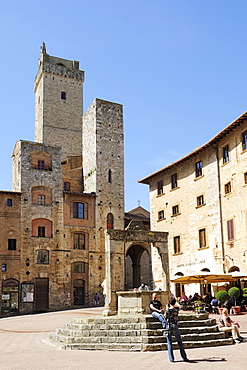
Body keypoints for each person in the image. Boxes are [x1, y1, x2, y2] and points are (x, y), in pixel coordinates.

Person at [164, 298, 189, 362]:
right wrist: (174, 303)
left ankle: (171, 358)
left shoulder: (168, 310)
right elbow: (179, 306)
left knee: (169, 343)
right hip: (175, 326)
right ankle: (184, 357)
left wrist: (167, 307)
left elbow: (165, 316)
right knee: (180, 342)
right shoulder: (176, 309)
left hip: (169, 326)